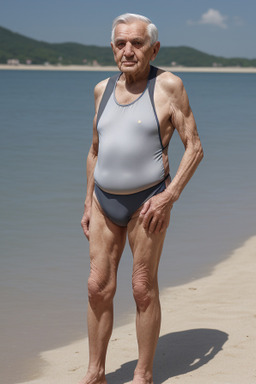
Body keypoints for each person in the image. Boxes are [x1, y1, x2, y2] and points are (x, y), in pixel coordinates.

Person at [80, 13, 203, 384]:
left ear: (154, 48)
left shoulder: (168, 86)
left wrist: (169, 196)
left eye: (137, 43)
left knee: (141, 287)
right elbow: (94, 150)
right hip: (104, 201)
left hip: (148, 202)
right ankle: (95, 373)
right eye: (121, 44)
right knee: (97, 286)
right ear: (113, 48)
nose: (128, 51)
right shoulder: (102, 89)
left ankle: (143, 374)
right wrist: (87, 202)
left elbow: (194, 147)